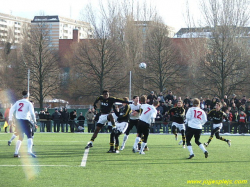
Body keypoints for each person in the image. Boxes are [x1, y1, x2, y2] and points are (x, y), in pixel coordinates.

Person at [8, 91, 37, 158]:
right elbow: (32, 113)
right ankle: (29, 150)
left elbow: (11, 110)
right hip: (25, 121)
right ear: (28, 95)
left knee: (20, 137)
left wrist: (10, 119)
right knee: (29, 136)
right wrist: (35, 121)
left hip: (18, 121)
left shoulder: (18, 102)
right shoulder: (29, 103)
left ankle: (16, 153)